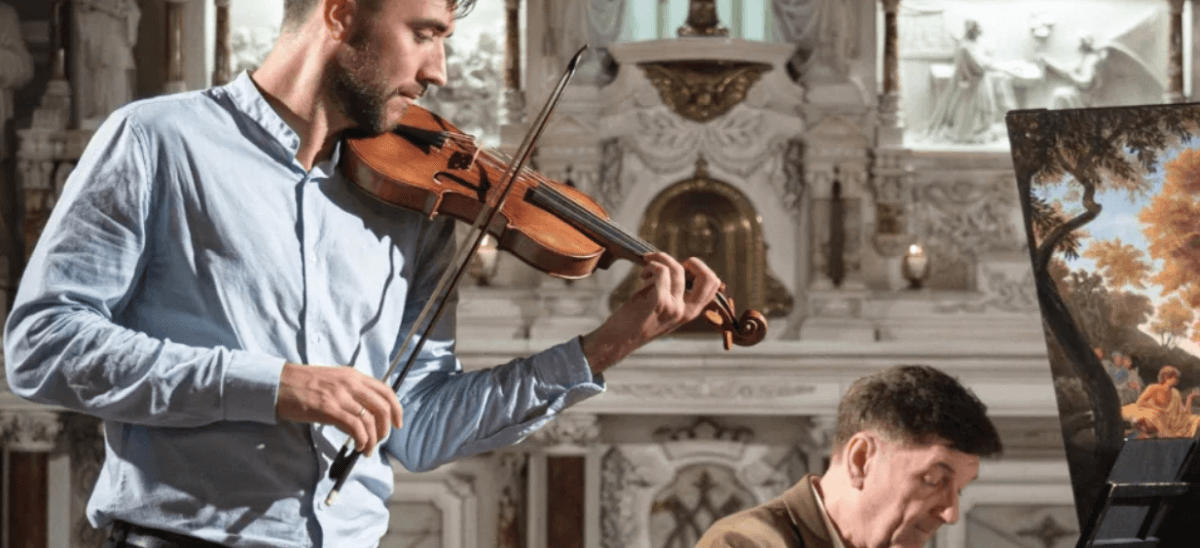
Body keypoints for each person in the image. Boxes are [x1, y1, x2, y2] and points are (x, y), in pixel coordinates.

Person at [3, 1, 724, 547]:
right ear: (342, 14)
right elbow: (42, 347)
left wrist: (607, 346)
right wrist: (277, 385)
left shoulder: (417, 206)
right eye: (426, 33)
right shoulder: (159, 140)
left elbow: (419, 428)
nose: (439, 72)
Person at [694, 365, 1003, 548]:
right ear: (861, 460)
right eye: (934, 480)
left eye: (959, 490)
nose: (951, 514)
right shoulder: (742, 544)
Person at [924, 19, 1017, 144]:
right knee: (973, 108)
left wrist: (993, 62)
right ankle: (973, 131)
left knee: (985, 107)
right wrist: (999, 65)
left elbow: (982, 62)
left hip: (979, 80)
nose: (978, 33)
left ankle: (980, 129)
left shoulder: (973, 45)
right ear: (971, 31)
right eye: (976, 30)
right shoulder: (965, 47)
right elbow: (980, 64)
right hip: (972, 83)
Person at [1121, 365, 1200, 438]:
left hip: (1171, 421)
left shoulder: (1176, 393)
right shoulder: (1153, 388)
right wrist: (1157, 408)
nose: (1177, 380)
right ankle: (1164, 435)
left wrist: (1189, 398)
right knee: (1155, 415)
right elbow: (1140, 402)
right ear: (1167, 377)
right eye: (1175, 377)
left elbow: (1185, 414)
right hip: (1152, 417)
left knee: (1196, 419)